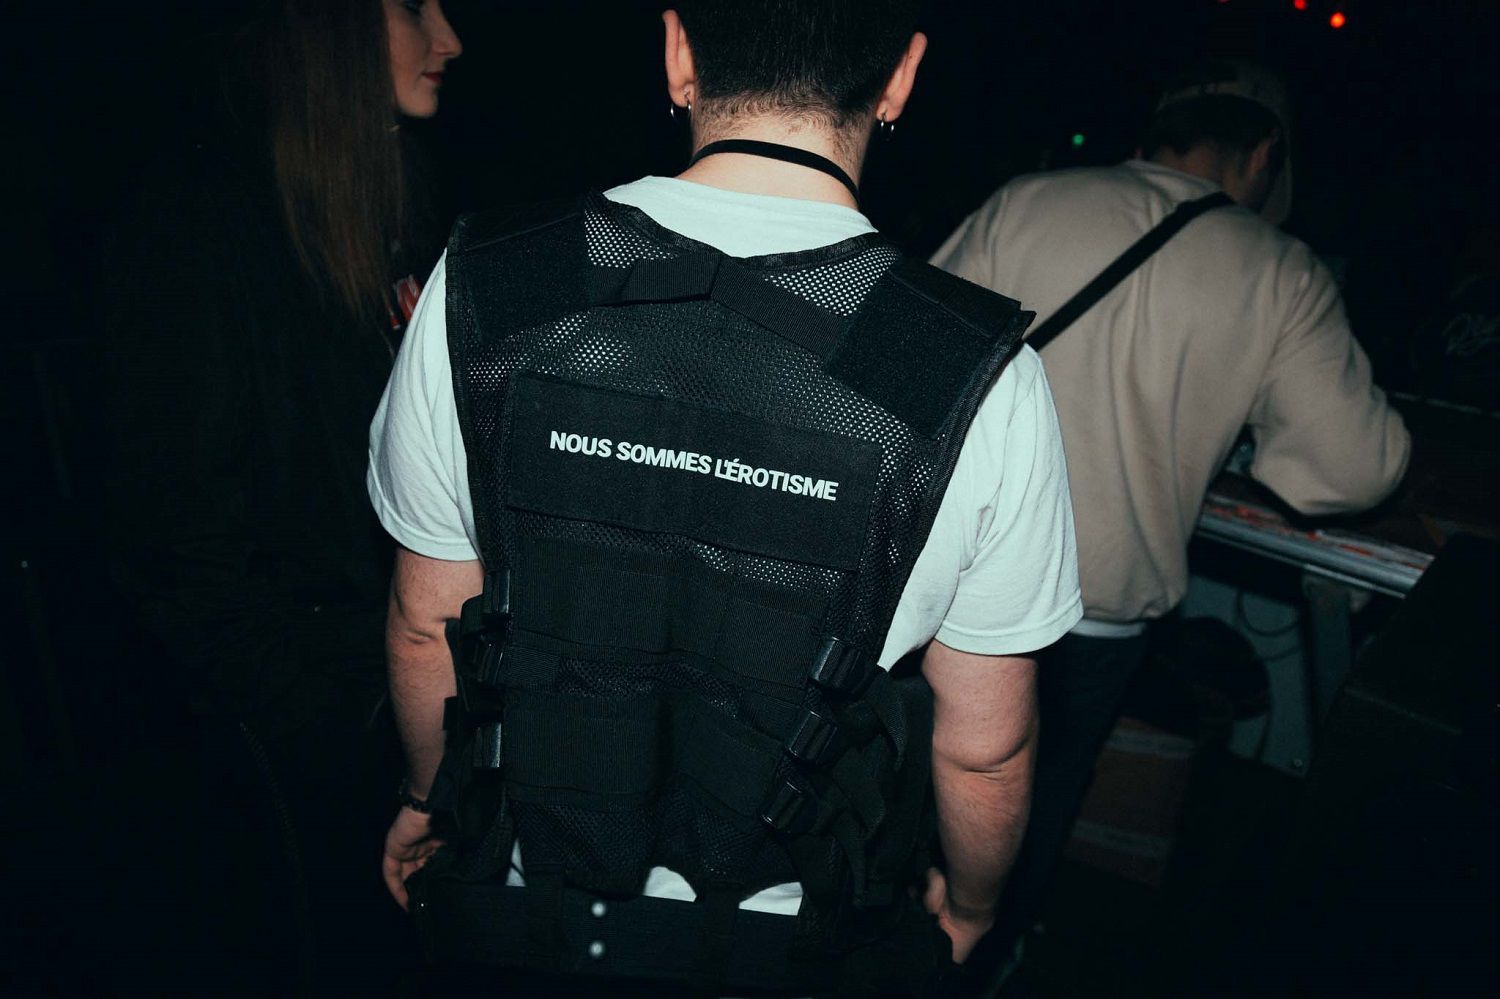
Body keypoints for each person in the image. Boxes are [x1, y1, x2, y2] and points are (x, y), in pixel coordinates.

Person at [366, 1, 1082, 992]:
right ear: (900, 78)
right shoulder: (968, 371)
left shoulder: (494, 281)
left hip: (535, 911)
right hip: (790, 940)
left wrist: (426, 798)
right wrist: (973, 904)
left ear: (678, 54)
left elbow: (425, 623)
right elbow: (985, 749)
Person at [931, 62, 1411, 974]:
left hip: (950, 578)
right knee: (1036, 800)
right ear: (1263, 154)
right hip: (1093, 612)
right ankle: (987, 959)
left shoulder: (1028, 200)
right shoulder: (1280, 270)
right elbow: (1354, 468)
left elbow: (909, 368)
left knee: (915, 782)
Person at [104, 0, 462, 991]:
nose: (448, 39)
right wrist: (338, 727)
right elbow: (176, 547)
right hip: (309, 737)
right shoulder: (197, 224)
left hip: (410, 687)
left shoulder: (398, 191)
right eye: (414, 6)